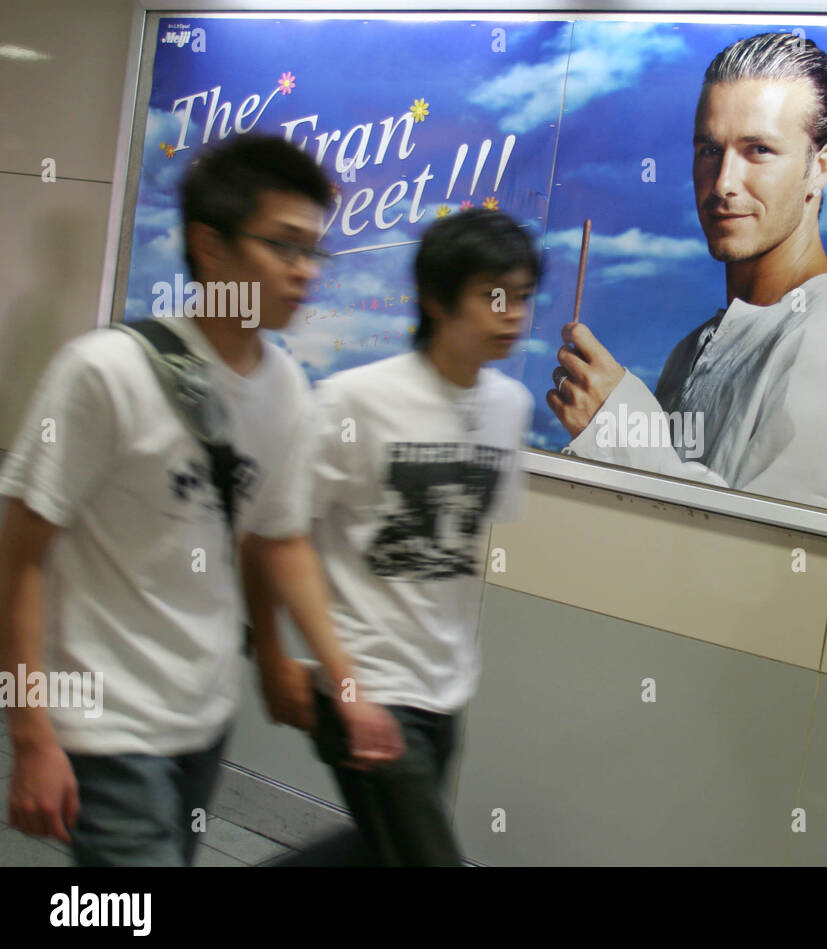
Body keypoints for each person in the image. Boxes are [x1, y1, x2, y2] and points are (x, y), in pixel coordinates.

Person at [0, 134, 402, 866]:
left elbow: (277, 541)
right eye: (284, 246)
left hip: (203, 719)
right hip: (106, 722)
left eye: (315, 250)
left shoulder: (283, 389)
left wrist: (323, 675)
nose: (304, 271)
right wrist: (29, 733)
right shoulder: (104, 372)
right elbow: (19, 557)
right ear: (209, 248)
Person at [547, 32, 827, 526]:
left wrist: (617, 431)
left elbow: (794, 579)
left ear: (821, 166)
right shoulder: (695, 348)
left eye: (759, 150)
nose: (725, 182)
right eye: (709, 150)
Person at [254, 208, 536, 866]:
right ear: (438, 300)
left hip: (444, 688)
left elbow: (458, 556)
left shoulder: (508, 407)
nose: (512, 313)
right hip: (366, 686)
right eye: (492, 294)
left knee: (381, 853)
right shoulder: (353, 401)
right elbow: (281, 535)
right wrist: (343, 686)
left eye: (522, 295)